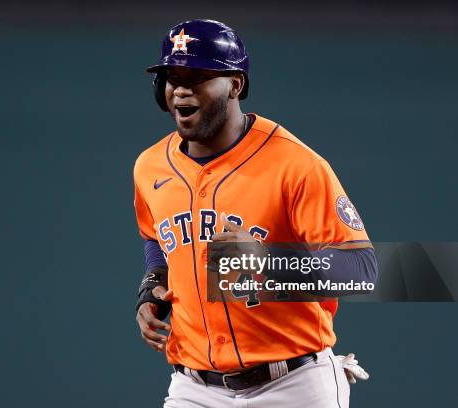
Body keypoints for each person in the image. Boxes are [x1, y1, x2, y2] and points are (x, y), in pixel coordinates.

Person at [133, 19, 377, 407]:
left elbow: (363, 272)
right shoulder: (150, 167)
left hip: (294, 383)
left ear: (235, 84)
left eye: (197, 75)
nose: (180, 88)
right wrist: (152, 287)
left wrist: (267, 264)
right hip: (194, 388)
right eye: (172, 76)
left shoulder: (295, 165)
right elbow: (155, 237)